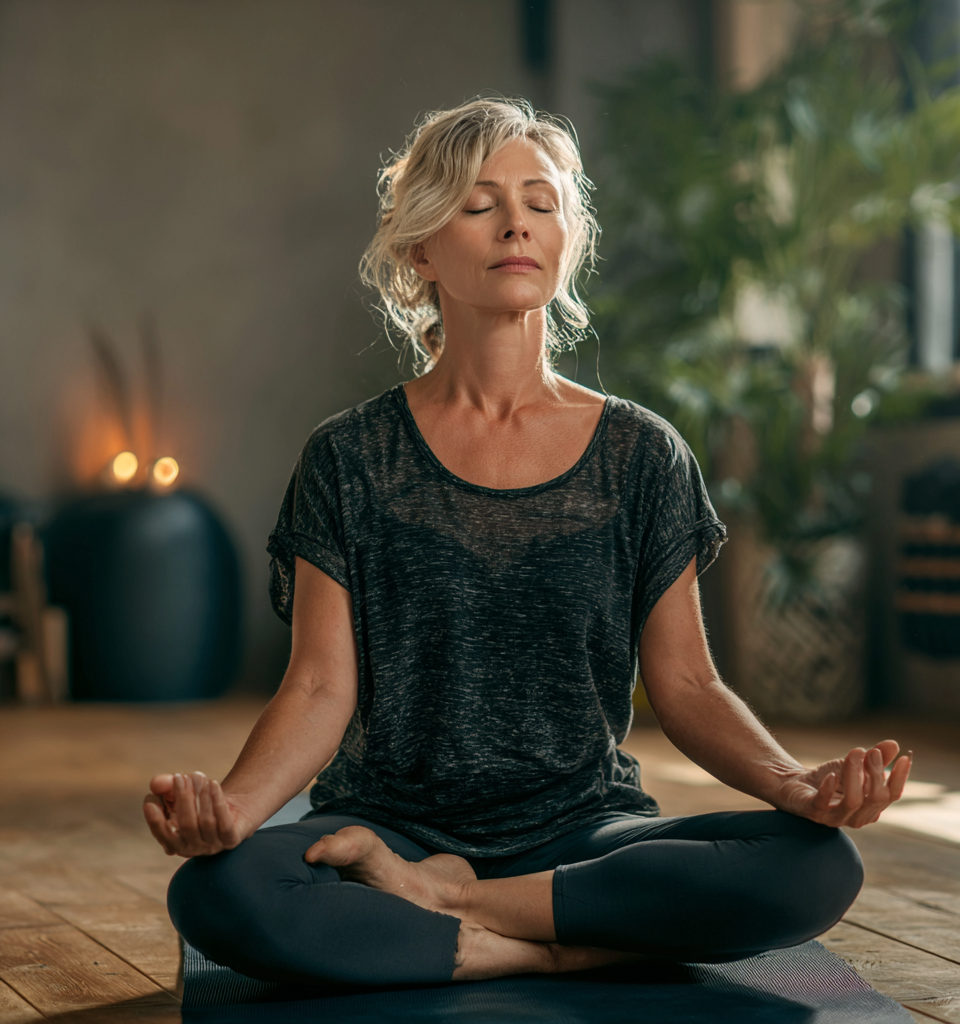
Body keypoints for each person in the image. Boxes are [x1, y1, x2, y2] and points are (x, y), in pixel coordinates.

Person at [145, 98, 912, 987]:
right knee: (220, 891)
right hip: (388, 825)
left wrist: (792, 784)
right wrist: (235, 811)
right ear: (420, 250)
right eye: (480, 205)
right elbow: (319, 685)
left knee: (817, 863)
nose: (516, 223)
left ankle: (456, 910)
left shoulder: (642, 453)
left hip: (583, 829)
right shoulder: (349, 456)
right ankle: (561, 945)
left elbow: (689, 685)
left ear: (564, 239)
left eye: (540, 203)